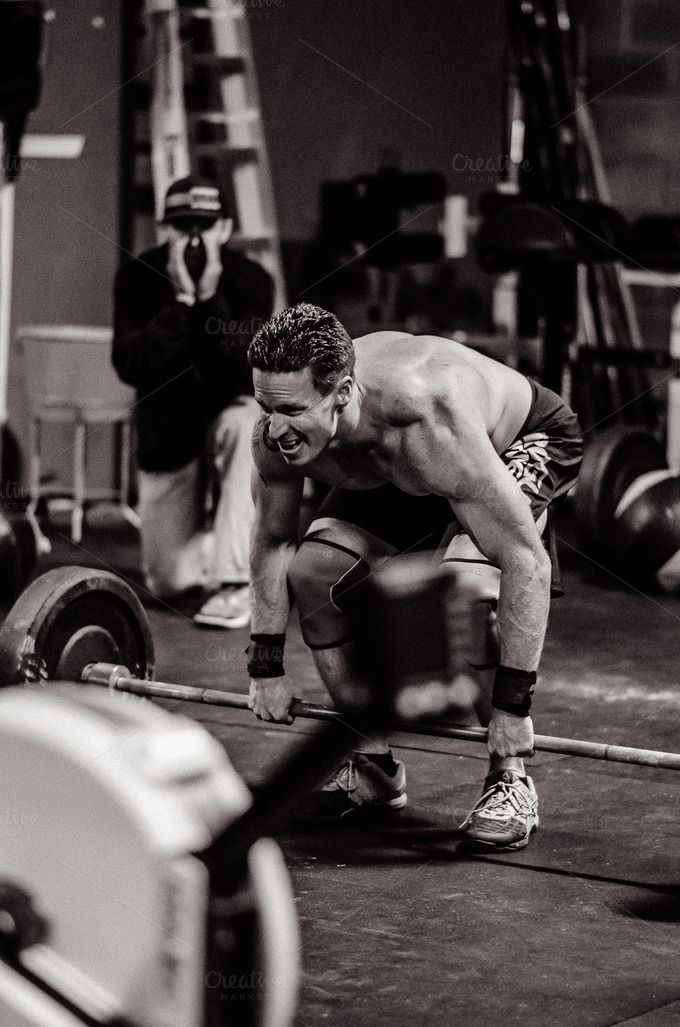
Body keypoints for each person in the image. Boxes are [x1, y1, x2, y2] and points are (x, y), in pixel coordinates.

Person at [245, 303, 583, 851]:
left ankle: (510, 777)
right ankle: (373, 766)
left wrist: (513, 707)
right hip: (401, 469)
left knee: (467, 590)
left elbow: (527, 561)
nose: (274, 428)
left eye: (291, 410)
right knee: (316, 572)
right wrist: (264, 662)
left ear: (344, 393)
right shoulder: (276, 436)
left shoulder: (430, 417)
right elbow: (274, 541)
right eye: (265, 406)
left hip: (514, 441)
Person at [113, 175, 273, 627]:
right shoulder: (137, 276)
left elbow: (247, 373)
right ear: (165, 230)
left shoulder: (251, 280)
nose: (194, 239)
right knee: (170, 584)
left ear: (225, 229)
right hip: (169, 433)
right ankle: (209, 541)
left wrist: (210, 300)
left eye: (205, 227)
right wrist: (182, 301)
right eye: (183, 227)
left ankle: (234, 581)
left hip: (229, 415)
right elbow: (128, 362)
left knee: (250, 424)